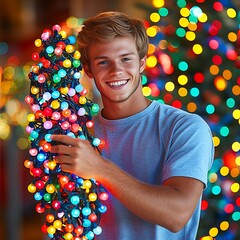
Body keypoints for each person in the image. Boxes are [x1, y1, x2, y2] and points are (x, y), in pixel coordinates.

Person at [50, 11, 214, 240]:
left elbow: (177, 214)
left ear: (142, 63)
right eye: (103, 62)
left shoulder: (184, 128)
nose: (116, 70)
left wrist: (100, 168)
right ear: (89, 70)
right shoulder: (79, 135)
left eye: (126, 59)